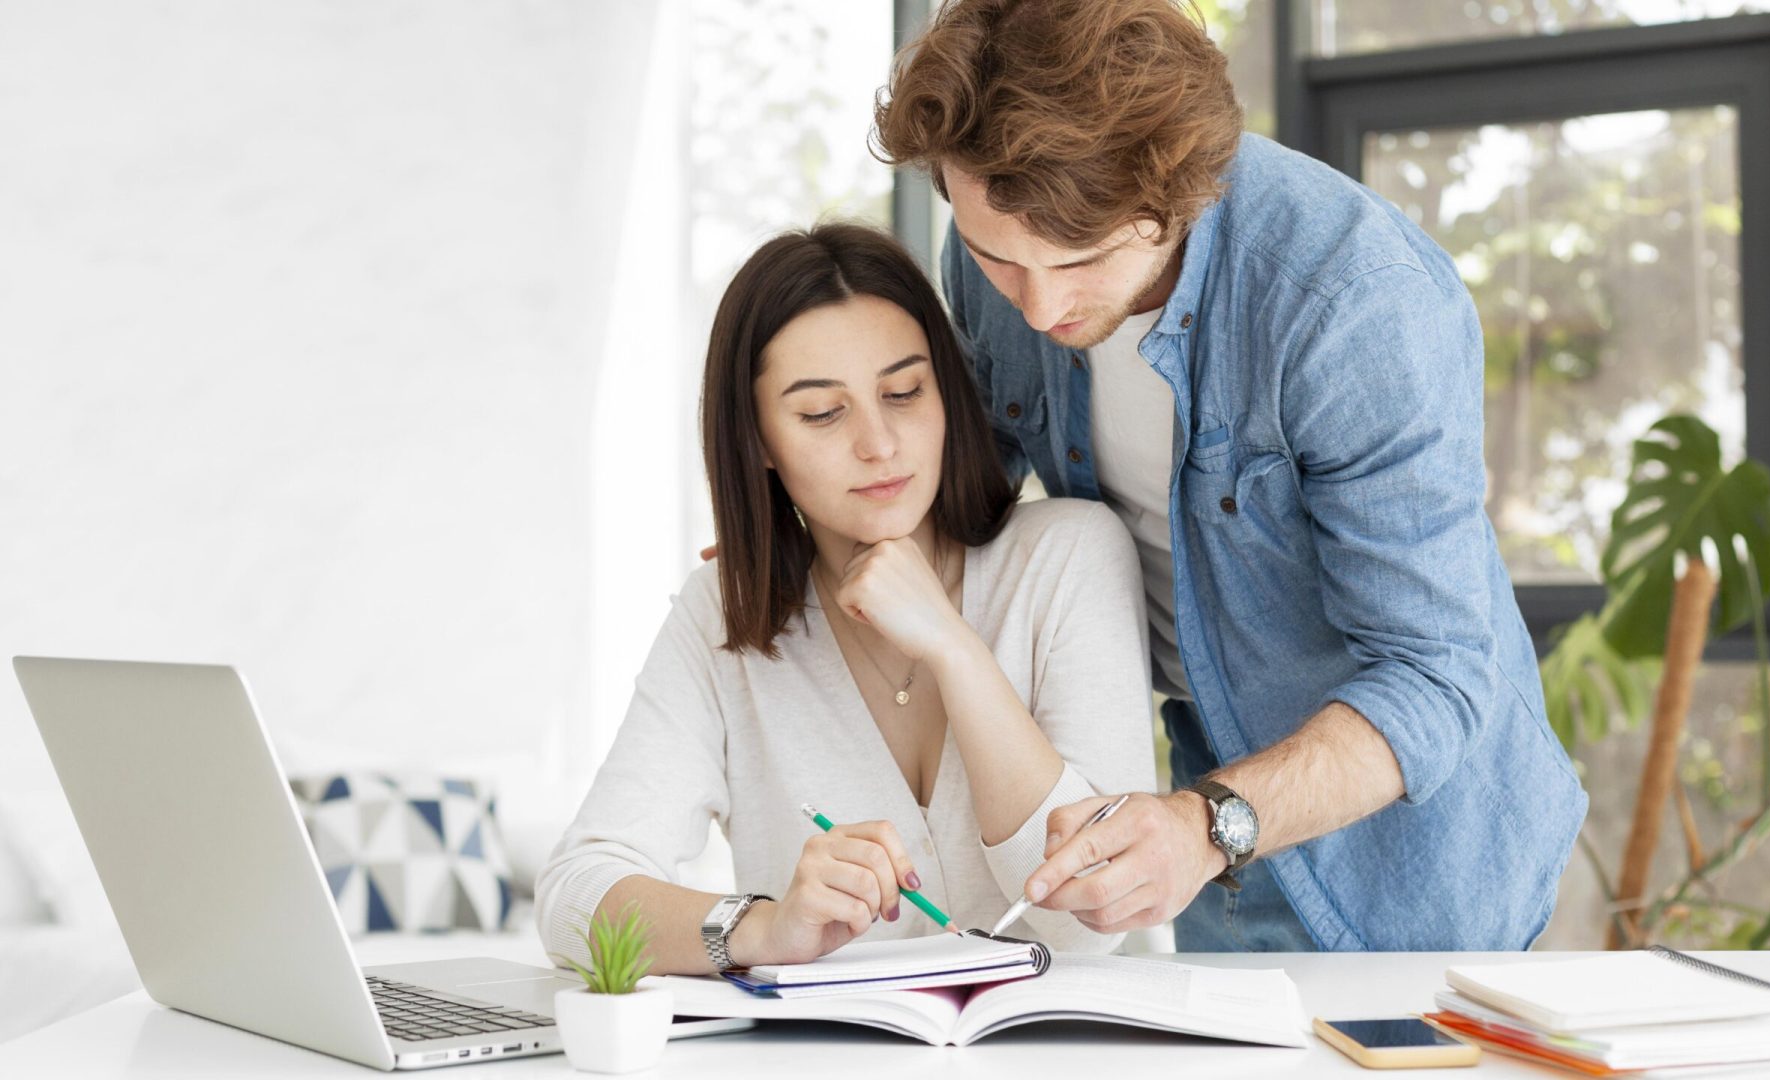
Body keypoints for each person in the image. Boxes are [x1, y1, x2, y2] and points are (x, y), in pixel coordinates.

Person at [871, 0, 1587, 951]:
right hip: (1199, 797)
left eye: (1081, 259)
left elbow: (1435, 675)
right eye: (999, 258)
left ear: (1179, 193)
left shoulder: (1354, 303)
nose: (1040, 308)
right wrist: (812, 535)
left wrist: (1207, 825)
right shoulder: (994, 264)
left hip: (1414, 863)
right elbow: (963, 504)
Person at [535, 223, 1155, 975]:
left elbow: (1091, 918)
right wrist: (761, 930)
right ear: (758, 439)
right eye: (823, 413)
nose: (880, 443)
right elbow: (573, 901)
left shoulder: (1069, 558)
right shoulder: (723, 615)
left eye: (903, 392)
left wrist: (954, 650)